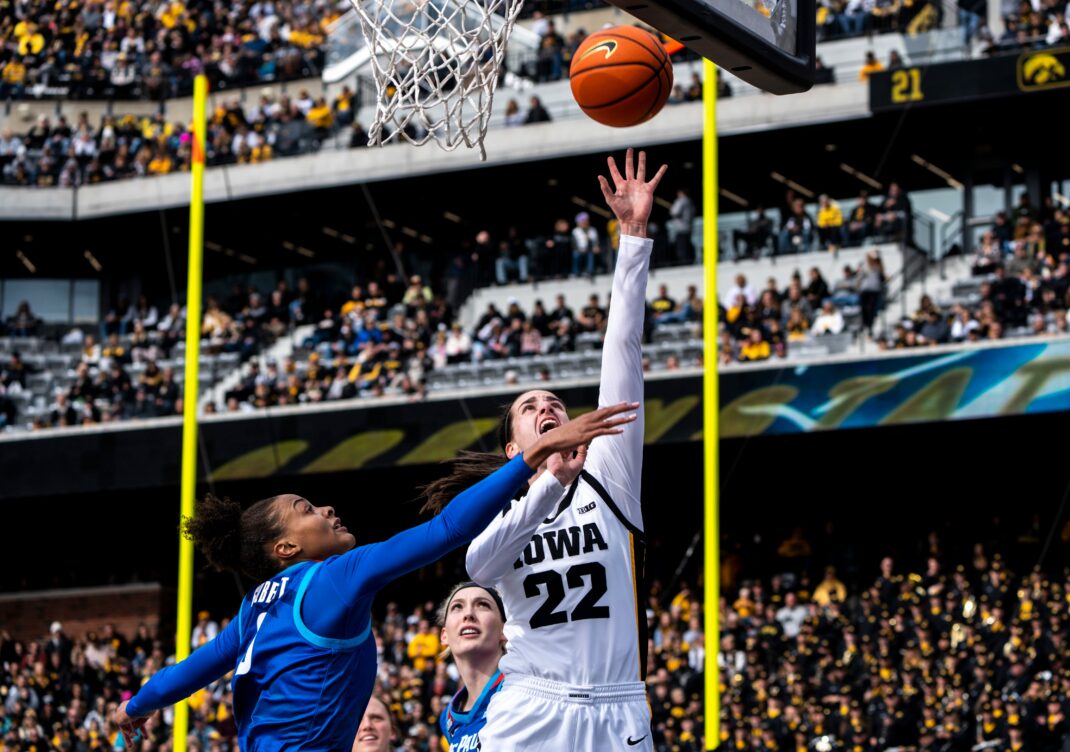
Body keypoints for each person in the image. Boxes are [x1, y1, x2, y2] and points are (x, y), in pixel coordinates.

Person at [112, 407, 635, 750]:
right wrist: (534, 456)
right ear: (286, 548)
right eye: (306, 508)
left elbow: (189, 673)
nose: (327, 507)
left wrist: (136, 707)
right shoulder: (334, 579)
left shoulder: (255, 610)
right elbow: (448, 529)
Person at [419, 149, 665, 752]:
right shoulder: (501, 507)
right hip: (531, 703)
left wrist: (632, 237)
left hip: (618, 706)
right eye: (531, 409)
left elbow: (624, 348)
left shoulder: (610, 471)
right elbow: (479, 566)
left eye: (553, 402)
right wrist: (547, 480)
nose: (547, 409)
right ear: (512, 448)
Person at [437, 583, 508, 752]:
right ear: (444, 635)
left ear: (505, 630)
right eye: (457, 607)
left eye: (483, 605)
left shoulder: (524, 690)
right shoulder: (448, 718)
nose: (468, 614)